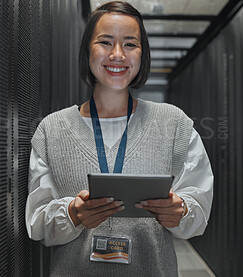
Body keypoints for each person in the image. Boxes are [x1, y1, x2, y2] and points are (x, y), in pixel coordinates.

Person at [26, 1, 213, 276]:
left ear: (142, 53)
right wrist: (74, 214)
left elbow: (199, 208)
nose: (117, 55)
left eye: (129, 44)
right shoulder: (51, 130)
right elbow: (37, 222)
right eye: (105, 42)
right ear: (87, 50)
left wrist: (181, 211)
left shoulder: (174, 124)